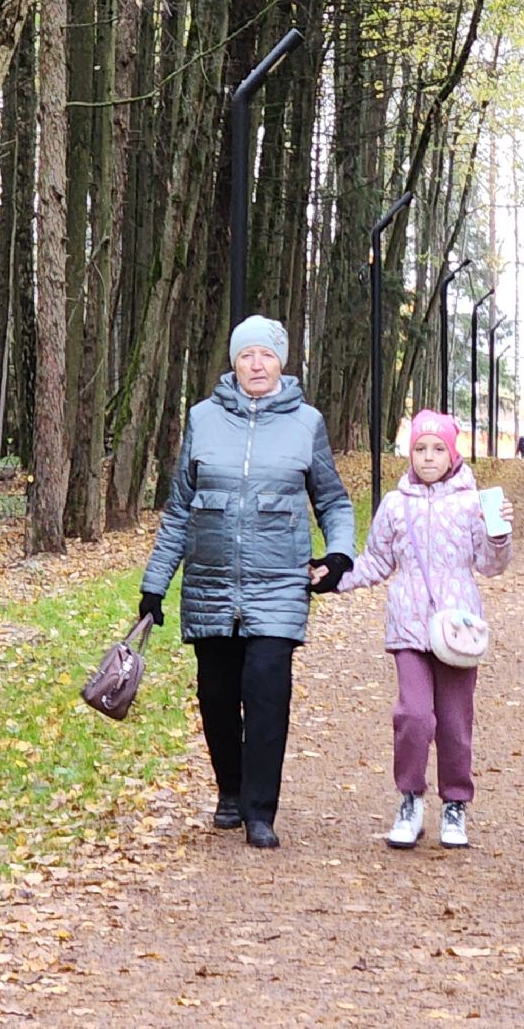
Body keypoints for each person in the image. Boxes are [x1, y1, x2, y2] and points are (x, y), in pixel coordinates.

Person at [137, 315, 355, 850]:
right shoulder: (202, 419)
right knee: (216, 695)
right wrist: (154, 585)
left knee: (266, 692)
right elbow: (179, 510)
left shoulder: (307, 423)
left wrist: (341, 554)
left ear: (282, 362)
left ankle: (260, 809)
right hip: (209, 583)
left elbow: (332, 500)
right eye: (245, 355)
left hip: (279, 583)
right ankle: (229, 792)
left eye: (267, 355)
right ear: (233, 363)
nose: (256, 364)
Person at [333, 410, 514, 850]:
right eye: (420, 448)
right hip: (409, 627)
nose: (428, 457)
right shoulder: (395, 505)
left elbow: (492, 567)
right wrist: (333, 578)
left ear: (452, 454)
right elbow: (377, 560)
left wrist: (499, 535)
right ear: (409, 453)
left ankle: (455, 804)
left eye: (437, 449)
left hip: (458, 631)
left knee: (454, 722)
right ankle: (409, 799)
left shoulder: (473, 502)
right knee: (414, 715)